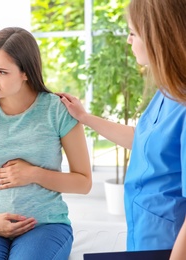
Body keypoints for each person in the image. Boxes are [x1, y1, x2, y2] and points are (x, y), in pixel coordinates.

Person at [0, 27, 92, 260]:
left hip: (45, 225)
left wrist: (33, 174)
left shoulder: (57, 111)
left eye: (2, 72)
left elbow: (83, 183)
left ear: (26, 72)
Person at [58, 0, 186, 259]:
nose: (128, 41)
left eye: (132, 33)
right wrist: (84, 117)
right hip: (145, 234)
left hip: (169, 244)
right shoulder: (168, 92)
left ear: (157, 37)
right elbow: (143, 140)